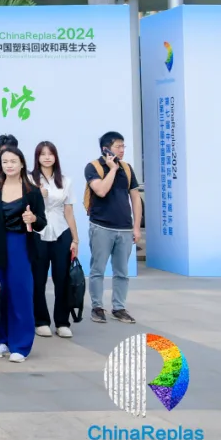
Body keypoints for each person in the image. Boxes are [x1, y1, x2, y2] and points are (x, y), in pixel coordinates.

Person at [0, 146, 47, 363]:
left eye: (13, 161)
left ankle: (21, 346)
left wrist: (33, 220)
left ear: (22, 163)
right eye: (5, 161)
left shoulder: (32, 192)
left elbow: (42, 222)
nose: (9, 165)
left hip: (20, 246)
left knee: (20, 294)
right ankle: (0, 341)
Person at [85, 131, 141, 324]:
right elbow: (101, 191)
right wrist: (112, 169)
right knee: (98, 270)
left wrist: (136, 227)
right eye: (118, 146)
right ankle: (97, 308)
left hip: (125, 228)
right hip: (101, 226)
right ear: (106, 149)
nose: (122, 150)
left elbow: (135, 198)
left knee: (122, 272)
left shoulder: (127, 168)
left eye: (123, 146)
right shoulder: (93, 167)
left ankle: (119, 308)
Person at [30, 142, 79, 338]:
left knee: (63, 279)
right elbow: (25, 206)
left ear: (55, 157)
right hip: (38, 232)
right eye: (43, 154)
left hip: (61, 232)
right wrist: (37, 194)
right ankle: (41, 320)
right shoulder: (29, 179)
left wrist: (75, 239)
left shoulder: (65, 181)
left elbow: (69, 211)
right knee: (38, 279)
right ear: (37, 157)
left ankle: (62, 322)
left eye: (50, 154)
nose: (47, 157)